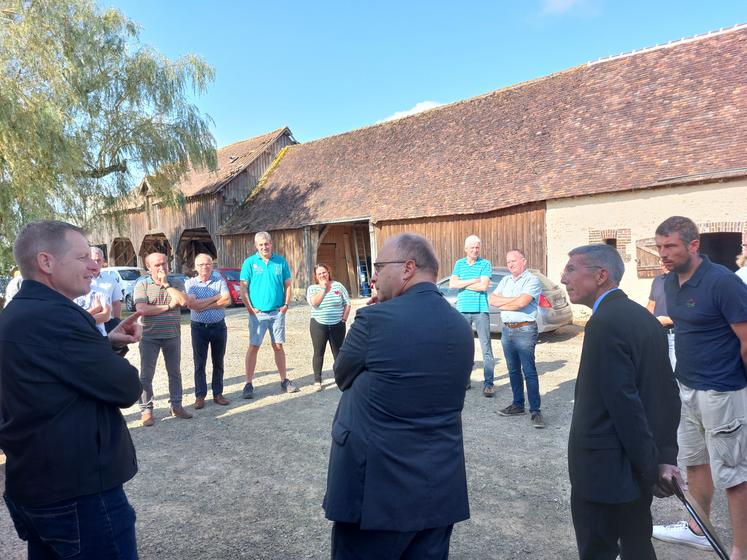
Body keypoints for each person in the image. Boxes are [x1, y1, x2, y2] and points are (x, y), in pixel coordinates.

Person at [323, 233, 474, 559]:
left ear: (408, 268)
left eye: (379, 266)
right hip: (438, 487)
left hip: (376, 492)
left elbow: (342, 375)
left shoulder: (375, 319)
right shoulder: (460, 325)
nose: (374, 276)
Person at [0, 220, 143, 559]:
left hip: (34, 485)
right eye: (81, 257)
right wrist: (104, 352)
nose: (94, 264)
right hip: (79, 495)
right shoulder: (58, 317)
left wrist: (105, 343)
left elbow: (50, 370)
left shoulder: (15, 314)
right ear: (46, 262)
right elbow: (126, 387)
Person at [561, 243, 681, 560]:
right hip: (631, 471)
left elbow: (624, 404)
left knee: (599, 551)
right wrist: (662, 457)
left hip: (604, 472)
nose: (563, 278)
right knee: (637, 546)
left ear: (601, 276)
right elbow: (667, 393)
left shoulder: (604, 324)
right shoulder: (644, 318)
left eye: (572, 269)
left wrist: (650, 466)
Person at [651, 216, 747, 560]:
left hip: (722, 391)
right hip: (687, 387)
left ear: (694, 246)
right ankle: (698, 529)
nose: (663, 253)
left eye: (670, 246)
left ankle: (740, 550)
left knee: (735, 475)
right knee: (695, 463)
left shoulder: (723, 282)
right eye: (659, 246)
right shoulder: (670, 283)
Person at [134, 252, 193, 425]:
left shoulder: (176, 282)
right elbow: (142, 309)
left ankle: (176, 406)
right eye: (157, 265)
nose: (162, 267)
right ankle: (146, 410)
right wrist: (168, 306)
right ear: (148, 268)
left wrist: (166, 285)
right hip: (149, 337)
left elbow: (183, 302)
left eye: (164, 263)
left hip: (172, 336)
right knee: (146, 375)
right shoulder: (142, 285)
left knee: (175, 373)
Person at [489, 249, 544, 428]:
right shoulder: (505, 280)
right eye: (508, 262)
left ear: (524, 261)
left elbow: (523, 303)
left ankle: (535, 410)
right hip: (507, 331)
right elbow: (492, 300)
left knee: (529, 371)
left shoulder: (532, 280)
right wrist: (513, 301)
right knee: (513, 370)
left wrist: (506, 302)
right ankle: (518, 404)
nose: (510, 264)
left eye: (513, 261)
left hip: (525, 330)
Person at [239, 231, 297, 398]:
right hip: (258, 314)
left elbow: (287, 285)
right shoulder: (250, 263)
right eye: (261, 244)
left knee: (278, 345)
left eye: (267, 243)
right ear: (256, 246)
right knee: (254, 346)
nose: (264, 247)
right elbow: (243, 289)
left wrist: (286, 305)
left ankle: (284, 380)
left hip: (277, 312)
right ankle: (248, 383)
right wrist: (250, 308)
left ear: (271, 243)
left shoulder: (280, 261)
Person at [450, 234, 495, 396]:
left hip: (481, 310)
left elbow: (483, 287)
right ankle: (466, 381)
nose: (475, 250)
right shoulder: (459, 264)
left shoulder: (485, 263)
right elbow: (452, 284)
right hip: (463, 310)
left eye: (477, 247)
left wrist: (464, 283)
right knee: (464, 347)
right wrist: (472, 281)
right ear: (466, 249)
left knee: (486, 348)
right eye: (472, 248)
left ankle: (489, 383)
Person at [185, 253, 232, 408]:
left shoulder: (219, 279)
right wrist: (215, 297)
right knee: (199, 363)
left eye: (208, 264)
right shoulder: (191, 283)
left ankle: (217, 393)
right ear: (195, 267)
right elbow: (193, 305)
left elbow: (227, 300)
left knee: (218, 362)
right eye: (201, 264)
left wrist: (205, 304)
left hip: (218, 326)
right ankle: (200, 396)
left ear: (212, 265)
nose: (205, 267)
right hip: (199, 329)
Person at [306, 263, 351, 391]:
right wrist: (323, 289)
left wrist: (344, 319)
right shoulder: (312, 289)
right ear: (316, 276)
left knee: (338, 353)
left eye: (324, 272)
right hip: (318, 325)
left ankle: (340, 378)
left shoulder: (338, 286)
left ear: (328, 272)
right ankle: (317, 380)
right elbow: (314, 303)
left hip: (337, 325)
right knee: (319, 353)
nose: (323, 275)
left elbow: (347, 303)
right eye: (319, 273)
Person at [646, 262, 676, 369]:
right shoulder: (657, 280)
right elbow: (651, 304)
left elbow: (690, 312)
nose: (662, 263)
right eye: (660, 260)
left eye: (665, 260)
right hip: (657, 334)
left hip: (675, 335)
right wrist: (647, 321)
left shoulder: (683, 281)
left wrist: (667, 320)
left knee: (674, 372)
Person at [89, 246, 124, 332]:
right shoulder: (79, 279)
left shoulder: (111, 280)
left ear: (103, 261)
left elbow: (116, 303)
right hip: (86, 322)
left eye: (98, 260)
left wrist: (116, 321)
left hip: (107, 323)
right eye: (93, 260)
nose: (96, 263)